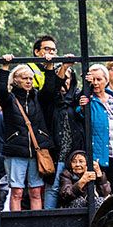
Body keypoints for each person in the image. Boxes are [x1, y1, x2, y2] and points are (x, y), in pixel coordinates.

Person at [0, 56, 56, 211]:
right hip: (16, 151)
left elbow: (49, 90)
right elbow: (0, 91)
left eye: (31, 78)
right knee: (17, 192)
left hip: (36, 152)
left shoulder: (37, 98)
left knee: (36, 191)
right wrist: (5, 67)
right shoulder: (9, 100)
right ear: (15, 80)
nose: (29, 81)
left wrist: (49, 66)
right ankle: (16, 225)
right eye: (25, 78)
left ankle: (37, 225)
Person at [79, 63, 113, 190]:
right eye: (93, 80)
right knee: (99, 188)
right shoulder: (89, 100)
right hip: (98, 155)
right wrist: (84, 103)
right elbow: (81, 113)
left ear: (106, 80)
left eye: (99, 79)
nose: (95, 83)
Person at [42, 57, 83, 209]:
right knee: (53, 188)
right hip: (56, 153)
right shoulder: (48, 100)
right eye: (63, 77)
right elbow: (50, 90)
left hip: (74, 154)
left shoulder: (76, 99)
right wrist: (63, 68)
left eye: (68, 78)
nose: (65, 81)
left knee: (75, 186)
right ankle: (48, 220)